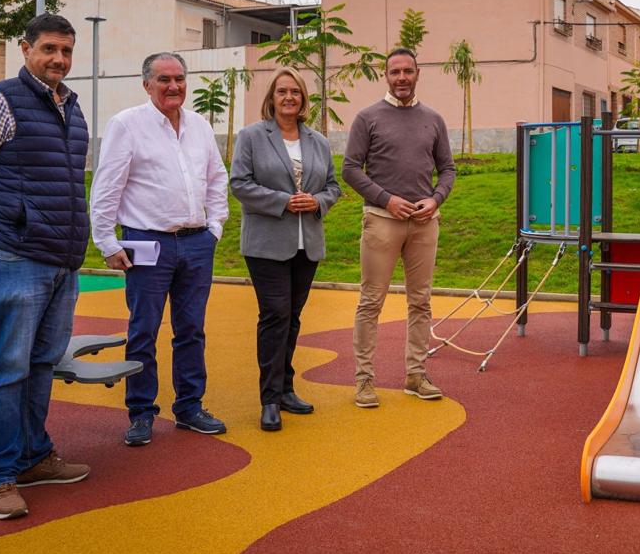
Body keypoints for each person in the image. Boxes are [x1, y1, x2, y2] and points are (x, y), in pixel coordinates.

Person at [0, 13, 91, 521]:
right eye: (49, 48)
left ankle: (33, 457)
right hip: (14, 256)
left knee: (42, 362)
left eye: (67, 51)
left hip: (60, 258)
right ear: (25, 48)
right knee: (5, 366)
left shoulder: (73, 108)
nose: (59, 60)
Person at [90, 52, 229, 446]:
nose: (173, 86)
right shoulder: (126, 125)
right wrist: (106, 242)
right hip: (145, 243)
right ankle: (140, 412)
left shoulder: (200, 126)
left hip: (197, 243)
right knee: (143, 330)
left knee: (191, 330)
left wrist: (214, 228)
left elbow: (217, 179)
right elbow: (106, 186)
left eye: (180, 79)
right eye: (164, 79)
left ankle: (189, 406)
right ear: (146, 83)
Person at [341, 47, 456, 408]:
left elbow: (448, 169)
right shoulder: (368, 118)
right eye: (395, 72)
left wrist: (436, 198)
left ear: (418, 73)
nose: (402, 78)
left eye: (408, 71)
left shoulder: (434, 119)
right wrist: (386, 199)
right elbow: (350, 168)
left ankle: (416, 375)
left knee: (420, 301)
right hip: (382, 220)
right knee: (371, 301)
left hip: (424, 223)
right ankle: (364, 380)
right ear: (385, 76)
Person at [230, 67, 341, 431]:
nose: (289, 97)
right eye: (282, 92)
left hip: (305, 245)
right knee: (275, 315)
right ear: (271, 98)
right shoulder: (251, 136)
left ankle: (287, 388)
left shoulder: (318, 142)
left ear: (304, 98)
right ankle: (270, 398)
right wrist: (283, 201)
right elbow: (240, 184)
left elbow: (333, 187)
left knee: (292, 318)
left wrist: (318, 202)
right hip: (266, 245)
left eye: (295, 91)